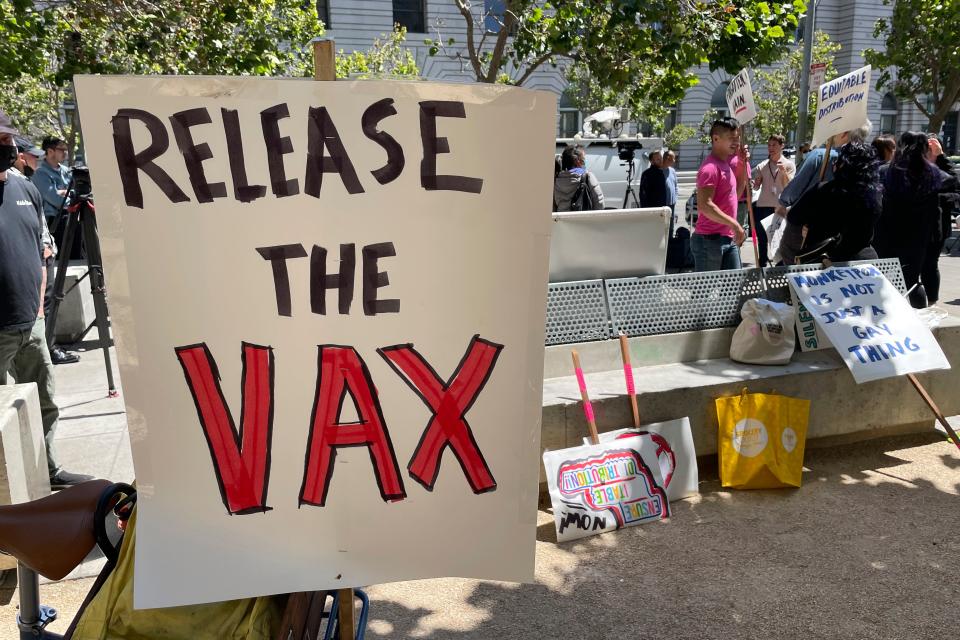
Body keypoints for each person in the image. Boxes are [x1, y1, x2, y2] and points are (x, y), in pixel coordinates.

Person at [0, 111, 93, 489]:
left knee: (44, 404)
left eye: (9, 140)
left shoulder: (25, 189)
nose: (8, 147)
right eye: (1, 140)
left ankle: (47, 470)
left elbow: (42, 250)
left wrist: (38, 307)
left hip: (31, 324)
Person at [13, 140, 80, 365]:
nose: (36, 160)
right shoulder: (26, 180)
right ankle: (46, 349)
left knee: (48, 300)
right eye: (32, 156)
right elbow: (56, 199)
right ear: (20, 157)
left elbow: (70, 195)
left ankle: (47, 348)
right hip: (37, 249)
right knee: (43, 303)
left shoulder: (25, 182)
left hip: (45, 247)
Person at [876, 132, 958, 308]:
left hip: (888, 233)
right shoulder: (933, 174)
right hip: (918, 236)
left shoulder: (885, 171)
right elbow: (954, 181)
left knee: (887, 279)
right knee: (912, 281)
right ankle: (920, 320)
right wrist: (941, 157)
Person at [778, 121, 873, 264]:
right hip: (855, 252)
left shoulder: (819, 157)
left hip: (814, 242)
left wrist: (785, 203)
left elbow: (790, 196)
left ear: (844, 133)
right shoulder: (871, 179)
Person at [692, 117, 747, 271]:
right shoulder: (710, 168)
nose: (736, 142)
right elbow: (705, 205)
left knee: (732, 289)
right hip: (709, 240)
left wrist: (742, 163)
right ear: (716, 138)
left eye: (738, 138)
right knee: (704, 294)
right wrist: (735, 224)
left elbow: (735, 196)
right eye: (731, 138)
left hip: (728, 238)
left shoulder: (725, 165)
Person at [752, 135, 796, 266]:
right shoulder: (762, 165)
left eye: (774, 145)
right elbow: (756, 187)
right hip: (763, 205)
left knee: (779, 237)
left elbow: (791, 186)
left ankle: (781, 263)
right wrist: (756, 183)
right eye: (769, 145)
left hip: (779, 207)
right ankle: (762, 262)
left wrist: (784, 172)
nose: (771, 148)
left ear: (782, 146)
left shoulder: (788, 164)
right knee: (762, 237)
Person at [553, 145, 604, 211]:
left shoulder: (556, 180)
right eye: (583, 159)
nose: (584, 162)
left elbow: (553, 207)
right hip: (583, 219)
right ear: (578, 162)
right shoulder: (588, 177)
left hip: (562, 220)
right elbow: (599, 204)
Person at [662, 150, 679, 236]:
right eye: (673, 158)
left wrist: (675, 199)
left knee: (671, 227)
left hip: (672, 204)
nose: (675, 161)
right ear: (668, 158)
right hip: (662, 205)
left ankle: (671, 245)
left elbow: (676, 186)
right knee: (663, 227)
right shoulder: (659, 171)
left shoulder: (672, 171)